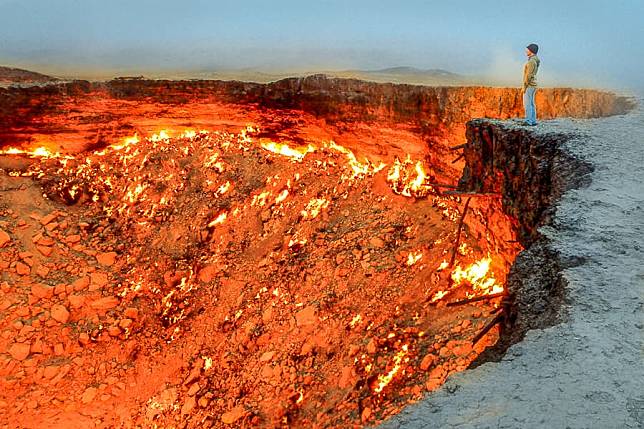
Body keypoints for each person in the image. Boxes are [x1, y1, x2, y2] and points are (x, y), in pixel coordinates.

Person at [523, 43, 540, 126]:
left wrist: (524, 87)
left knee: (527, 103)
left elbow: (528, 75)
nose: (526, 51)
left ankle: (528, 121)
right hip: (533, 85)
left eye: (527, 49)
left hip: (529, 85)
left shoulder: (531, 61)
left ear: (531, 51)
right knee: (532, 103)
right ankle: (533, 121)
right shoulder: (535, 60)